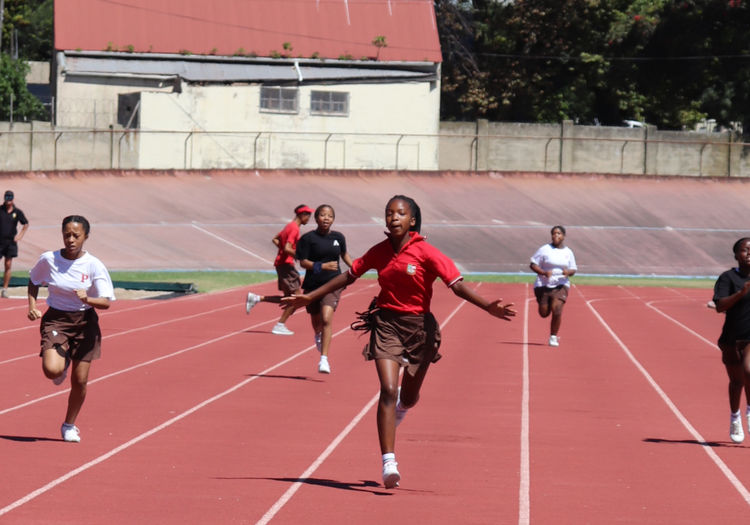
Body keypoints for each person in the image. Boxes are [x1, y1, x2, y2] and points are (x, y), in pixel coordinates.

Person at [283, 195, 516, 489]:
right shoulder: (379, 252)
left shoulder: (427, 252)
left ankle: (403, 409)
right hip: (386, 324)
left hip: (420, 330)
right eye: (389, 213)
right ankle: (388, 462)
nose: (393, 217)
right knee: (388, 390)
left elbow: (456, 286)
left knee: (407, 397)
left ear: (412, 220)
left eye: (400, 213)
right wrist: (310, 296)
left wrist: (488, 307)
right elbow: (348, 277)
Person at [27, 215, 115, 443]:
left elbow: (105, 302)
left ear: (86, 236)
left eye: (76, 235)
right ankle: (62, 361)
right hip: (56, 320)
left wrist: (88, 299)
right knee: (52, 371)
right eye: (67, 234)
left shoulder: (94, 265)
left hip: (86, 323)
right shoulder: (49, 259)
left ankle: (69, 425)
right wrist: (32, 306)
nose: (71, 239)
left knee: (80, 380)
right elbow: (34, 280)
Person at [295, 204, 353, 374]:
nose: (326, 218)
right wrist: (322, 266)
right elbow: (303, 262)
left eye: (330, 216)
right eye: (323, 215)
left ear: (333, 219)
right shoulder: (308, 239)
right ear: (316, 218)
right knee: (316, 320)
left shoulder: (338, 237)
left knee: (327, 317)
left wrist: (356, 267)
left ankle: (324, 359)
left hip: (333, 283)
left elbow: (344, 255)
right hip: (313, 284)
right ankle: (318, 335)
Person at [245, 205, 313, 335]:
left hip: (282, 264)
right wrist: (298, 256)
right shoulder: (294, 228)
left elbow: (275, 239)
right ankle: (279, 325)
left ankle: (256, 298)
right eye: (308, 215)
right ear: (302, 215)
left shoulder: (290, 226)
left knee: (288, 298)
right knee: (297, 298)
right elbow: (288, 247)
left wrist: (284, 252)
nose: (309, 218)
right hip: (286, 265)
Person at [713, 237, 750, 444]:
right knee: (737, 382)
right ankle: (735, 417)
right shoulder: (728, 278)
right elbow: (719, 306)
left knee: (749, 371)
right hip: (731, 338)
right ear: (736, 254)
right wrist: (741, 293)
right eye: (746, 250)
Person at [530, 226, 577, 347]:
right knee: (544, 313)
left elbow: (573, 269)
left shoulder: (568, 252)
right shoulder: (544, 249)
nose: (556, 235)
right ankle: (548, 301)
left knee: (557, 310)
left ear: (564, 236)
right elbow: (533, 264)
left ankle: (553, 337)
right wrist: (543, 272)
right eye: (554, 233)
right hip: (543, 284)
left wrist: (568, 273)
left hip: (561, 284)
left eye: (559, 233)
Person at [0, 190, 29, 298]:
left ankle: (5, 289)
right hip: (0, 241)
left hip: (10, 242)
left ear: (13, 199)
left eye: (10, 198)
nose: (8, 200)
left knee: (8, 265)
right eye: (7, 197)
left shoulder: (17, 212)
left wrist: (20, 236)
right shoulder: (0, 210)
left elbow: (25, 223)